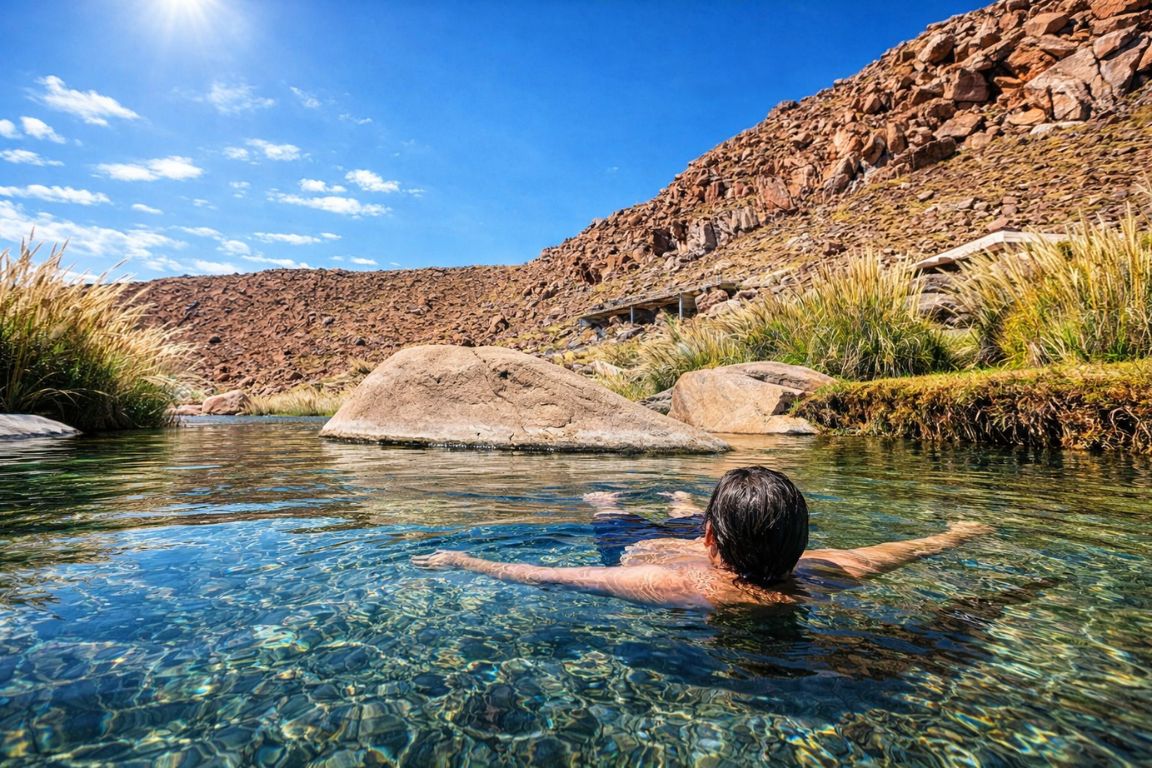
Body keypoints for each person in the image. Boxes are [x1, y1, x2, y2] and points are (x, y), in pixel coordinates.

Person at [413, 466, 992, 610]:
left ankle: (618, 503)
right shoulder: (828, 569)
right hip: (714, 539)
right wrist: (958, 533)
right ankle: (686, 506)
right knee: (694, 517)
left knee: (608, 515)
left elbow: (544, 575)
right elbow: (911, 548)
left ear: (715, 540)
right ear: (803, 538)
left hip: (646, 548)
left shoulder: (665, 584)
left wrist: (463, 558)